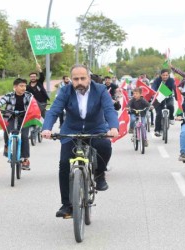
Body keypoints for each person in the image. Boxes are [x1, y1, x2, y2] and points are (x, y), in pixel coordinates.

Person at [41, 64, 119, 218]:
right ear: (71, 80)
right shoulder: (65, 91)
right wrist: (47, 128)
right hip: (71, 129)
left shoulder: (100, 90)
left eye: (83, 78)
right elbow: (55, 110)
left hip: (96, 128)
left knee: (104, 146)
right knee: (64, 163)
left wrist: (113, 127)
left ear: (89, 78)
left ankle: (99, 174)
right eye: (76, 79)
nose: (79, 82)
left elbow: (109, 109)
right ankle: (67, 205)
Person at [0, 78, 33, 170]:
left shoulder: (29, 96)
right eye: (21, 86)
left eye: (25, 86)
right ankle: (6, 145)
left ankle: (25, 159)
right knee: (7, 130)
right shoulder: (9, 96)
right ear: (15, 87)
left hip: (25, 118)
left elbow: (34, 104)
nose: (23, 88)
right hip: (11, 117)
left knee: (25, 137)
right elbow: (0, 101)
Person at [151, 69, 176, 137]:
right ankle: (157, 130)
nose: (165, 77)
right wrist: (155, 92)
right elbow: (153, 87)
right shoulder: (157, 80)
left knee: (171, 106)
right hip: (159, 98)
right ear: (161, 75)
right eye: (163, 75)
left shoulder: (171, 80)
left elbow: (175, 88)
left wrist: (177, 96)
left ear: (168, 75)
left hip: (168, 97)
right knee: (159, 114)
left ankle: (171, 117)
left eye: (166, 75)